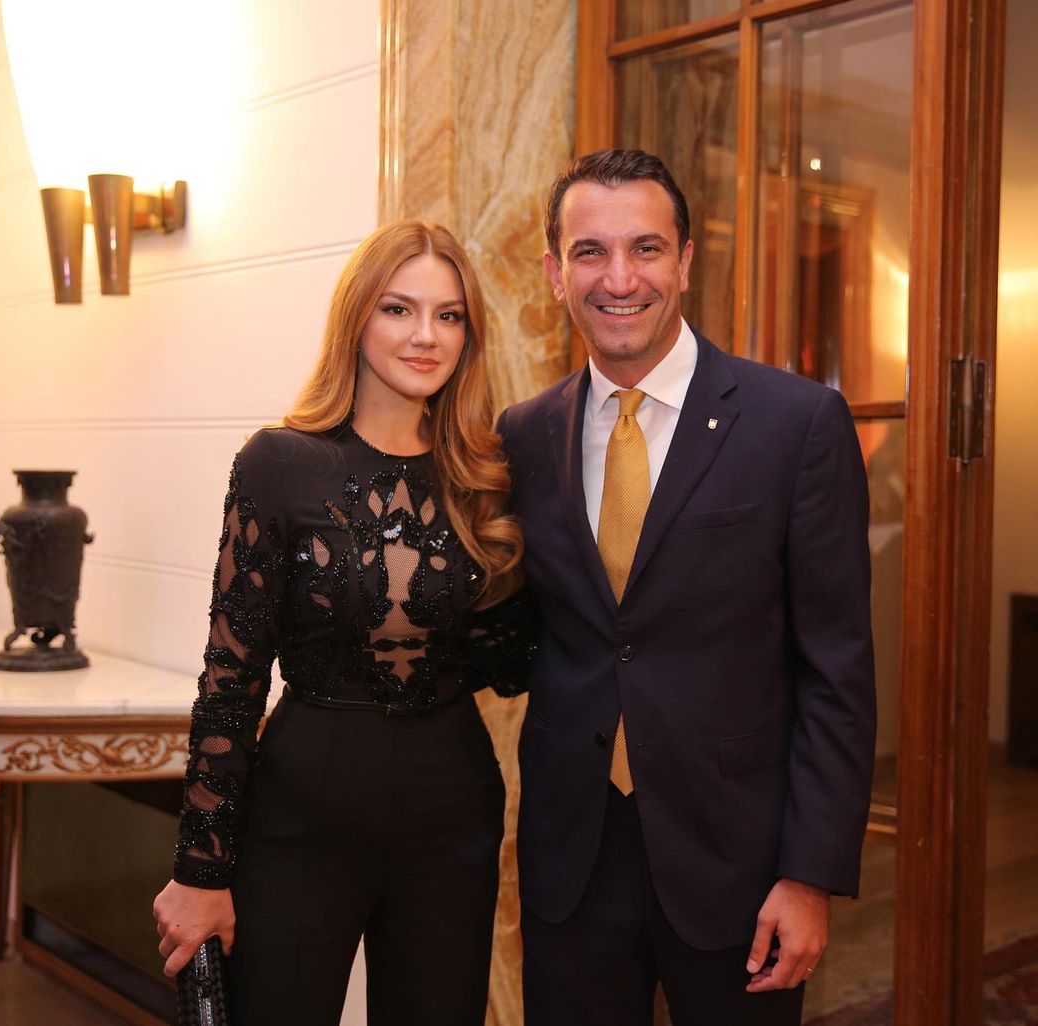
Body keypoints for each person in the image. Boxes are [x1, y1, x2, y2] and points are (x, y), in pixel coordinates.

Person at [498, 148, 876, 1025]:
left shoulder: (795, 425)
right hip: (572, 863)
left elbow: (838, 672)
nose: (619, 278)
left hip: (741, 867)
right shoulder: (522, 436)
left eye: (646, 248)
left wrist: (810, 874)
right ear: (554, 273)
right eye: (590, 252)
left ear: (687, 261)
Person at [153, 220, 533, 1026]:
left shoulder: (485, 472)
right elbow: (231, 677)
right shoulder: (279, 463)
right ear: (357, 316)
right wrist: (200, 868)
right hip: (302, 813)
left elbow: (510, 661)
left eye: (449, 315)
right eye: (399, 309)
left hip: (452, 815)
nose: (426, 335)